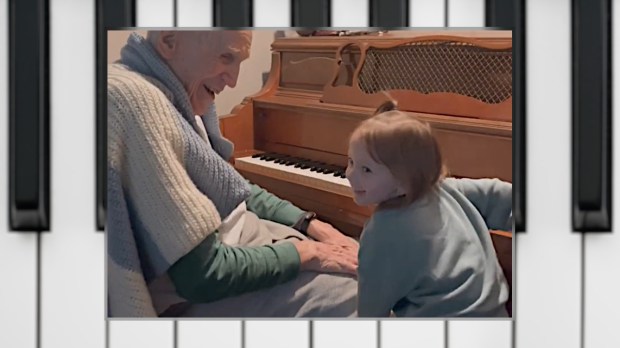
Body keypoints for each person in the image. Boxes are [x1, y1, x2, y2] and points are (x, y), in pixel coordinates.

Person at [107, 30, 358, 318]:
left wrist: (310, 224)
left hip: (242, 241)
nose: (234, 80)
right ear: (168, 42)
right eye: (226, 57)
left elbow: (231, 188)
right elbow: (203, 276)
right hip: (206, 284)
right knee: (362, 296)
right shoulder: (139, 103)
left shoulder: (180, 94)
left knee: (360, 256)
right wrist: (310, 254)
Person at [346, 101, 511, 317]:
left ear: (404, 179)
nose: (350, 174)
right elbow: (497, 193)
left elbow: (372, 308)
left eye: (366, 169)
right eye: (350, 162)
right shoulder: (447, 190)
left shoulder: (382, 232)